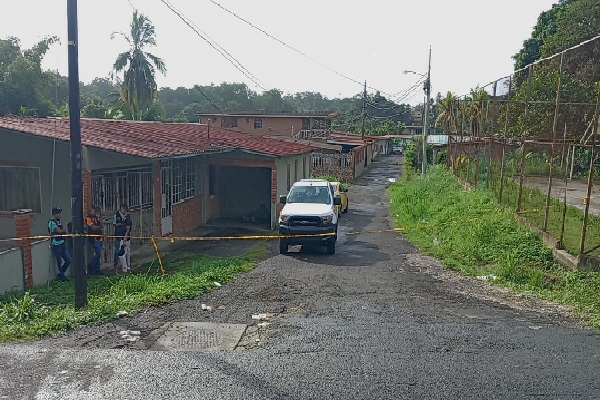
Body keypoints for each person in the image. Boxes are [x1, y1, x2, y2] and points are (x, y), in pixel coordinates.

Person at [48, 206, 71, 281]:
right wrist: (64, 230)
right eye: (58, 213)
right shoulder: (52, 222)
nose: (59, 214)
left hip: (62, 242)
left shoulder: (59, 221)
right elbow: (59, 231)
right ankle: (62, 277)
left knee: (68, 259)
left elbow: (63, 230)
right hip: (56, 244)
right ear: (54, 214)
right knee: (59, 261)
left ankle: (61, 273)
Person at [113, 204, 132, 273]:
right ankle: (125, 267)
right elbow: (114, 224)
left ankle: (125, 267)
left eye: (122, 209)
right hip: (120, 237)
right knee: (123, 252)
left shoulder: (128, 217)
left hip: (124, 238)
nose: (121, 211)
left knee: (123, 253)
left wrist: (125, 238)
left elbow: (128, 229)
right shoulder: (118, 215)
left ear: (124, 209)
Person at [85, 206, 103, 275]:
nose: (94, 212)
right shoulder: (88, 219)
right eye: (93, 211)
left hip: (99, 237)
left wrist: (99, 218)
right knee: (98, 253)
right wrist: (98, 227)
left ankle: (97, 269)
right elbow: (93, 228)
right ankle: (91, 265)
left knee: (98, 254)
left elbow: (101, 225)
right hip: (93, 238)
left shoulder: (96, 218)